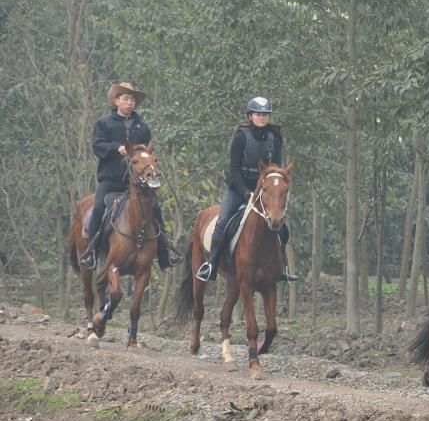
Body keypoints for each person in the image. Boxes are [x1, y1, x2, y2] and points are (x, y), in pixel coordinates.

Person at [79, 82, 183, 271]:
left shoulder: (141, 126)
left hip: (137, 183)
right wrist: (115, 148)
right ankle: (92, 252)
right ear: (116, 101)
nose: (130, 102)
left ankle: (164, 255)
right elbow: (97, 146)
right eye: (126, 98)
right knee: (100, 206)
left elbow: (147, 152)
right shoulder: (103, 124)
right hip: (111, 181)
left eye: (132, 99)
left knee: (156, 209)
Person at [195, 97, 297, 283]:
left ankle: (282, 269)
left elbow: (275, 168)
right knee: (223, 223)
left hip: (265, 192)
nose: (262, 117)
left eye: (265, 114)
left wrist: (271, 190)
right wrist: (245, 192)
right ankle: (211, 265)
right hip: (238, 190)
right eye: (258, 114)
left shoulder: (275, 138)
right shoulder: (241, 137)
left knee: (282, 228)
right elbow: (234, 170)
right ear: (250, 116)